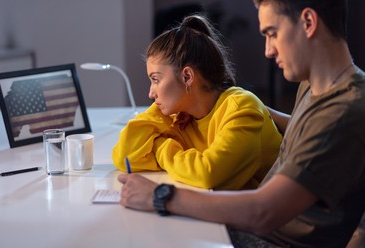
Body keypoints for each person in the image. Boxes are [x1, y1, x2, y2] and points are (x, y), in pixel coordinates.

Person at [117, 0, 365, 248]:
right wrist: (251, 107)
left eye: (272, 33)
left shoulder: (342, 113)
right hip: (259, 236)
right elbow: (306, 128)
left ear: (308, 23)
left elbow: (262, 213)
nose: (268, 50)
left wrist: (160, 195)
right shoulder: (318, 87)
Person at [112, 15, 282, 190]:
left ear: (187, 77)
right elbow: (124, 157)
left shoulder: (241, 107)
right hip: (218, 210)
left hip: (269, 214)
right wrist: (158, 115)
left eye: (156, 80)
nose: (150, 93)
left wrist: (161, 146)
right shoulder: (182, 116)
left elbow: (208, 174)